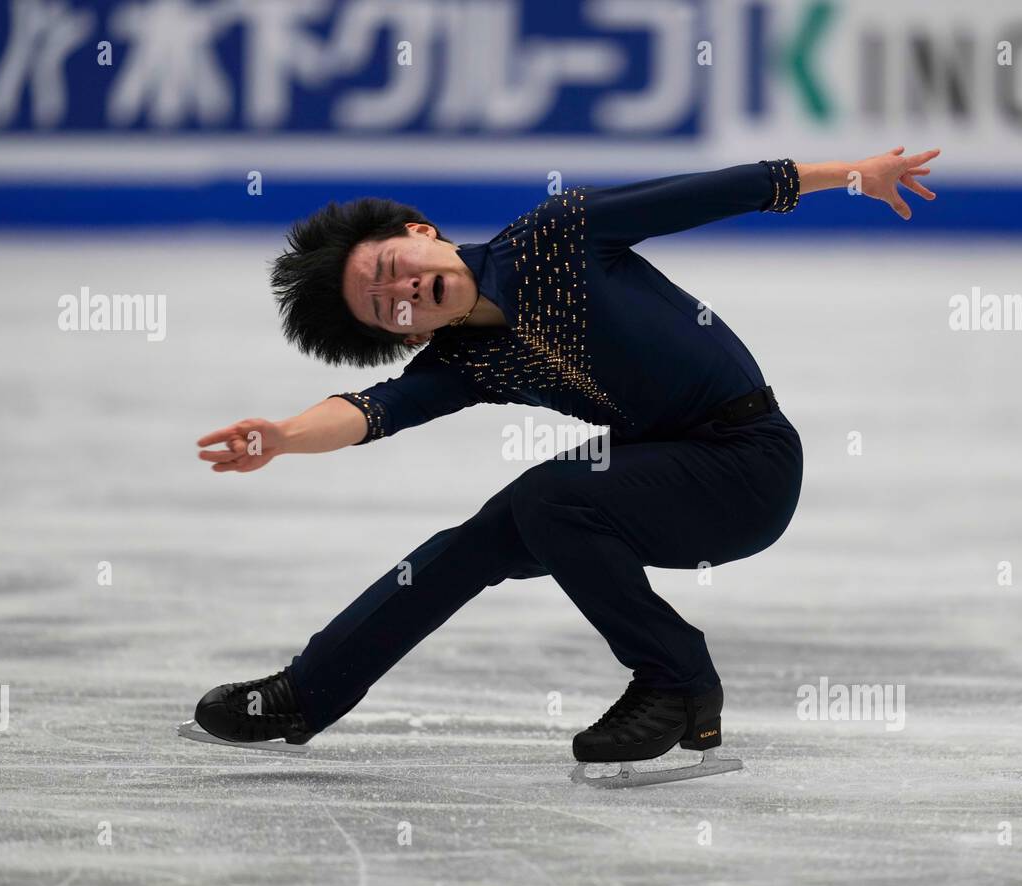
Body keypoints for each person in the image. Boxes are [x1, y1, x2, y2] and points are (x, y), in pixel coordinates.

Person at [186, 147, 940, 785]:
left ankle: (676, 677)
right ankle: (306, 692)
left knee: (548, 500)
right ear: (409, 337)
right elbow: (373, 410)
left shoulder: (557, 233)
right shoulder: (466, 361)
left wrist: (854, 175)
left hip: (749, 464)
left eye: (392, 266)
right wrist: (284, 434)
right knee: (477, 542)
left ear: (421, 232)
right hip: (664, 469)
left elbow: (717, 192)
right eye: (388, 308)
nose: (404, 290)